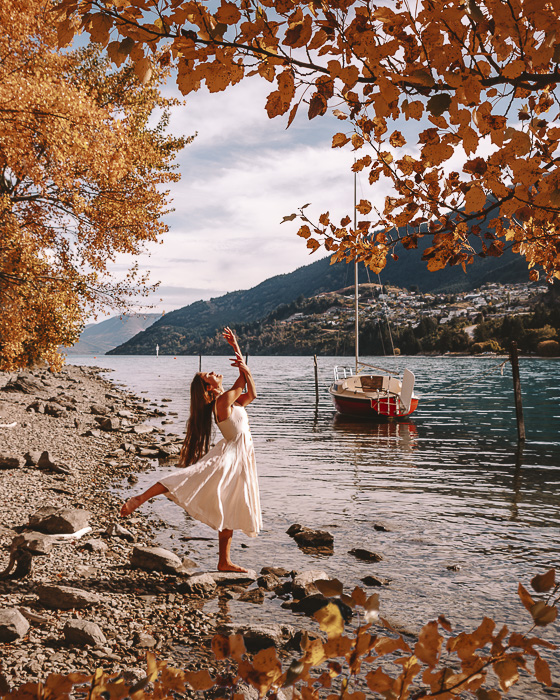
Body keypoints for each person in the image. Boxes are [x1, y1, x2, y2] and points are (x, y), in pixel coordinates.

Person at [120, 327, 262, 572]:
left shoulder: (228, 399)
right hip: (228, 456)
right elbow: (242, 383)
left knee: (229, 504)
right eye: (210, 375)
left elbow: (252, 394)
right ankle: (138, 499)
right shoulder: (223, 401)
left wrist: (239, 354)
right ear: (209, 388)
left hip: (240, 456)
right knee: (184, 478)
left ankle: (223, 561)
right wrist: (237, 352)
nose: (215, 373)